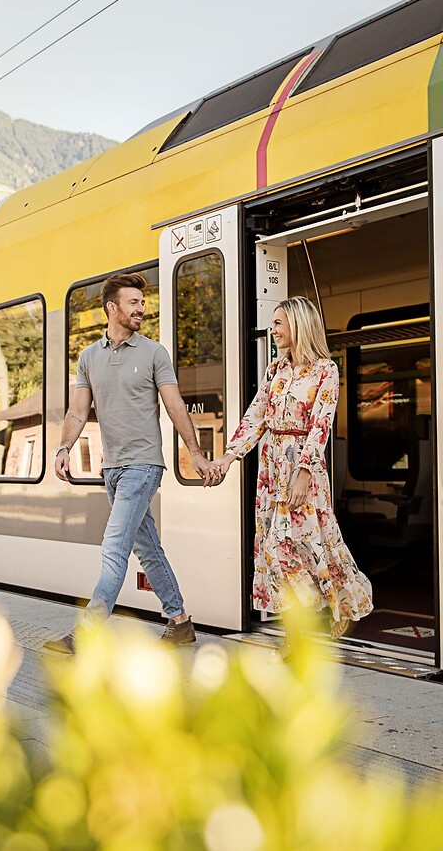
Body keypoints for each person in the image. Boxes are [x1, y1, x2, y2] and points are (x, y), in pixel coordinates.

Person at [44, 272, 220, 654]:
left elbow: (174, 405)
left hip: (143, 466)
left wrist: (195, 452)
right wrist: (63, 448)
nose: (142, 308)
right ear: (112, 308)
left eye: (143, 302)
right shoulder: (88, 357)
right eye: (134, 302)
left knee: (114, 544)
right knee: (147, 548)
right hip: (112, 469)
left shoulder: (154, 352)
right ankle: (180, 622)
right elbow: (77, 412)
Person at [213, 296, 373, 659]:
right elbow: (257, 416)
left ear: (298, 325)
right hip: (272, 467)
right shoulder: (275, 370)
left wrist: (304, 473)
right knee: (281, 551)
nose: (273, 330)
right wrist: (229, 456)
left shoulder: (325, 371)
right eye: (273, 323)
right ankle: (306, 625)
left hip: (303, 468)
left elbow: (321, 426)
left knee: (292, 546)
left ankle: (319, 616)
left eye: (279, 323)